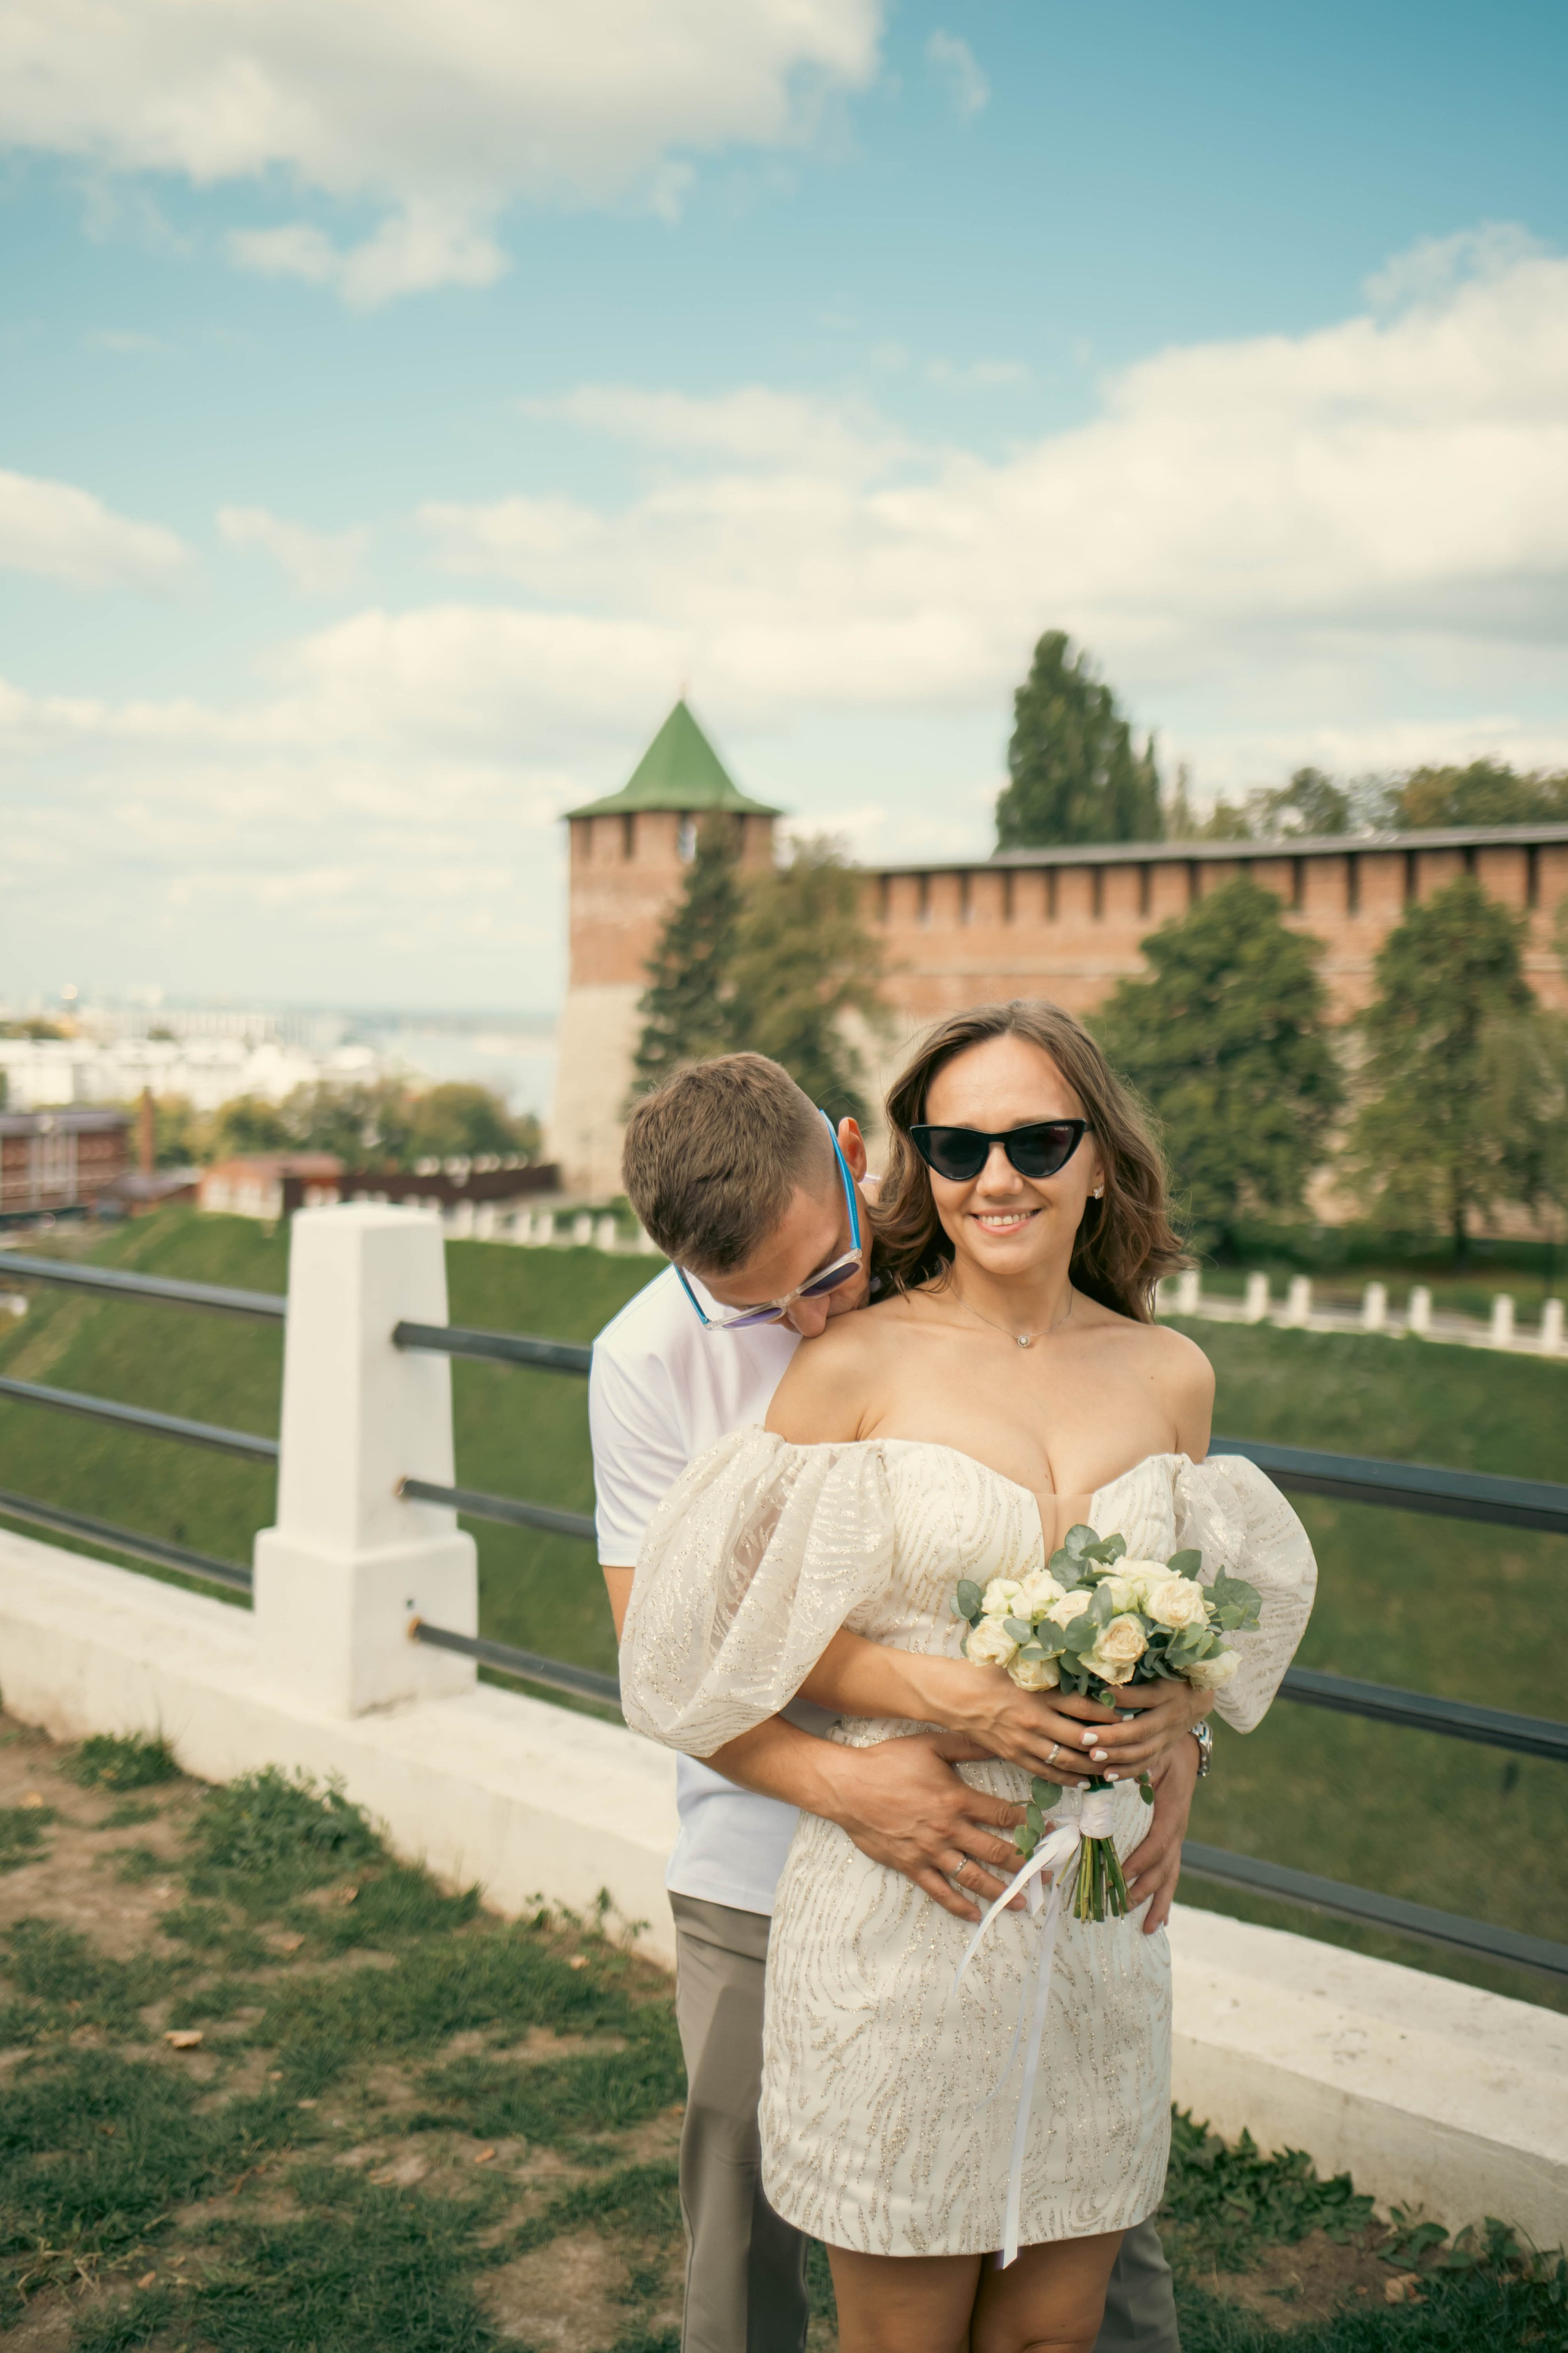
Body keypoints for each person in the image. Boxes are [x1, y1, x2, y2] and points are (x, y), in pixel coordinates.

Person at [619, 1005, 1317, 2353]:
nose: (997, 1176)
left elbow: (1195, 1621)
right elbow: (710, 1638)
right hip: (901, 1916)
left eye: (1037, 1139)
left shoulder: (1173, 1376)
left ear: (1099, 1158)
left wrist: (1180, 1725)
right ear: (917, 1164)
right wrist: (952, 1704)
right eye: (957, 1143)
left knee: (1055, 2338)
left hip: (1098, 1934)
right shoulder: (844, 1367)